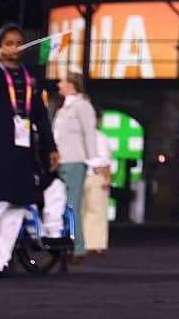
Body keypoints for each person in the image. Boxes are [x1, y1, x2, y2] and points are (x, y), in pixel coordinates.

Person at [0, 23, 58, 277]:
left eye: (18, 43)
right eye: (8, 43)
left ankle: (2, 259)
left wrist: (50, 148)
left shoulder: (30, 79)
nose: (14, 48)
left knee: (18, 206)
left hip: (23, 150)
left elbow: (41, 118)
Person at [51, 72, 102, 260]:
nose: (59, 84)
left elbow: (89, 134)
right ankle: (61, 241)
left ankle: (78, 248)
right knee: (57, 204)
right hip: (60, 161)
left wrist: (94, 160)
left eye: (62, 81)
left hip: (74, 161)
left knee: (72, 205)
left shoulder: (83, 106)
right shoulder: (62, 108)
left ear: (72, 85)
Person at [81, 130, 114, 258]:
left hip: (79, 176)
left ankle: (81, 242)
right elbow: (104, 159)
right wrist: (107, 177)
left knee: (82, 211)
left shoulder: (75, 135)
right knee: (97, 211)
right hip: (96, 176)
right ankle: (95, 244)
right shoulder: (100, 137)